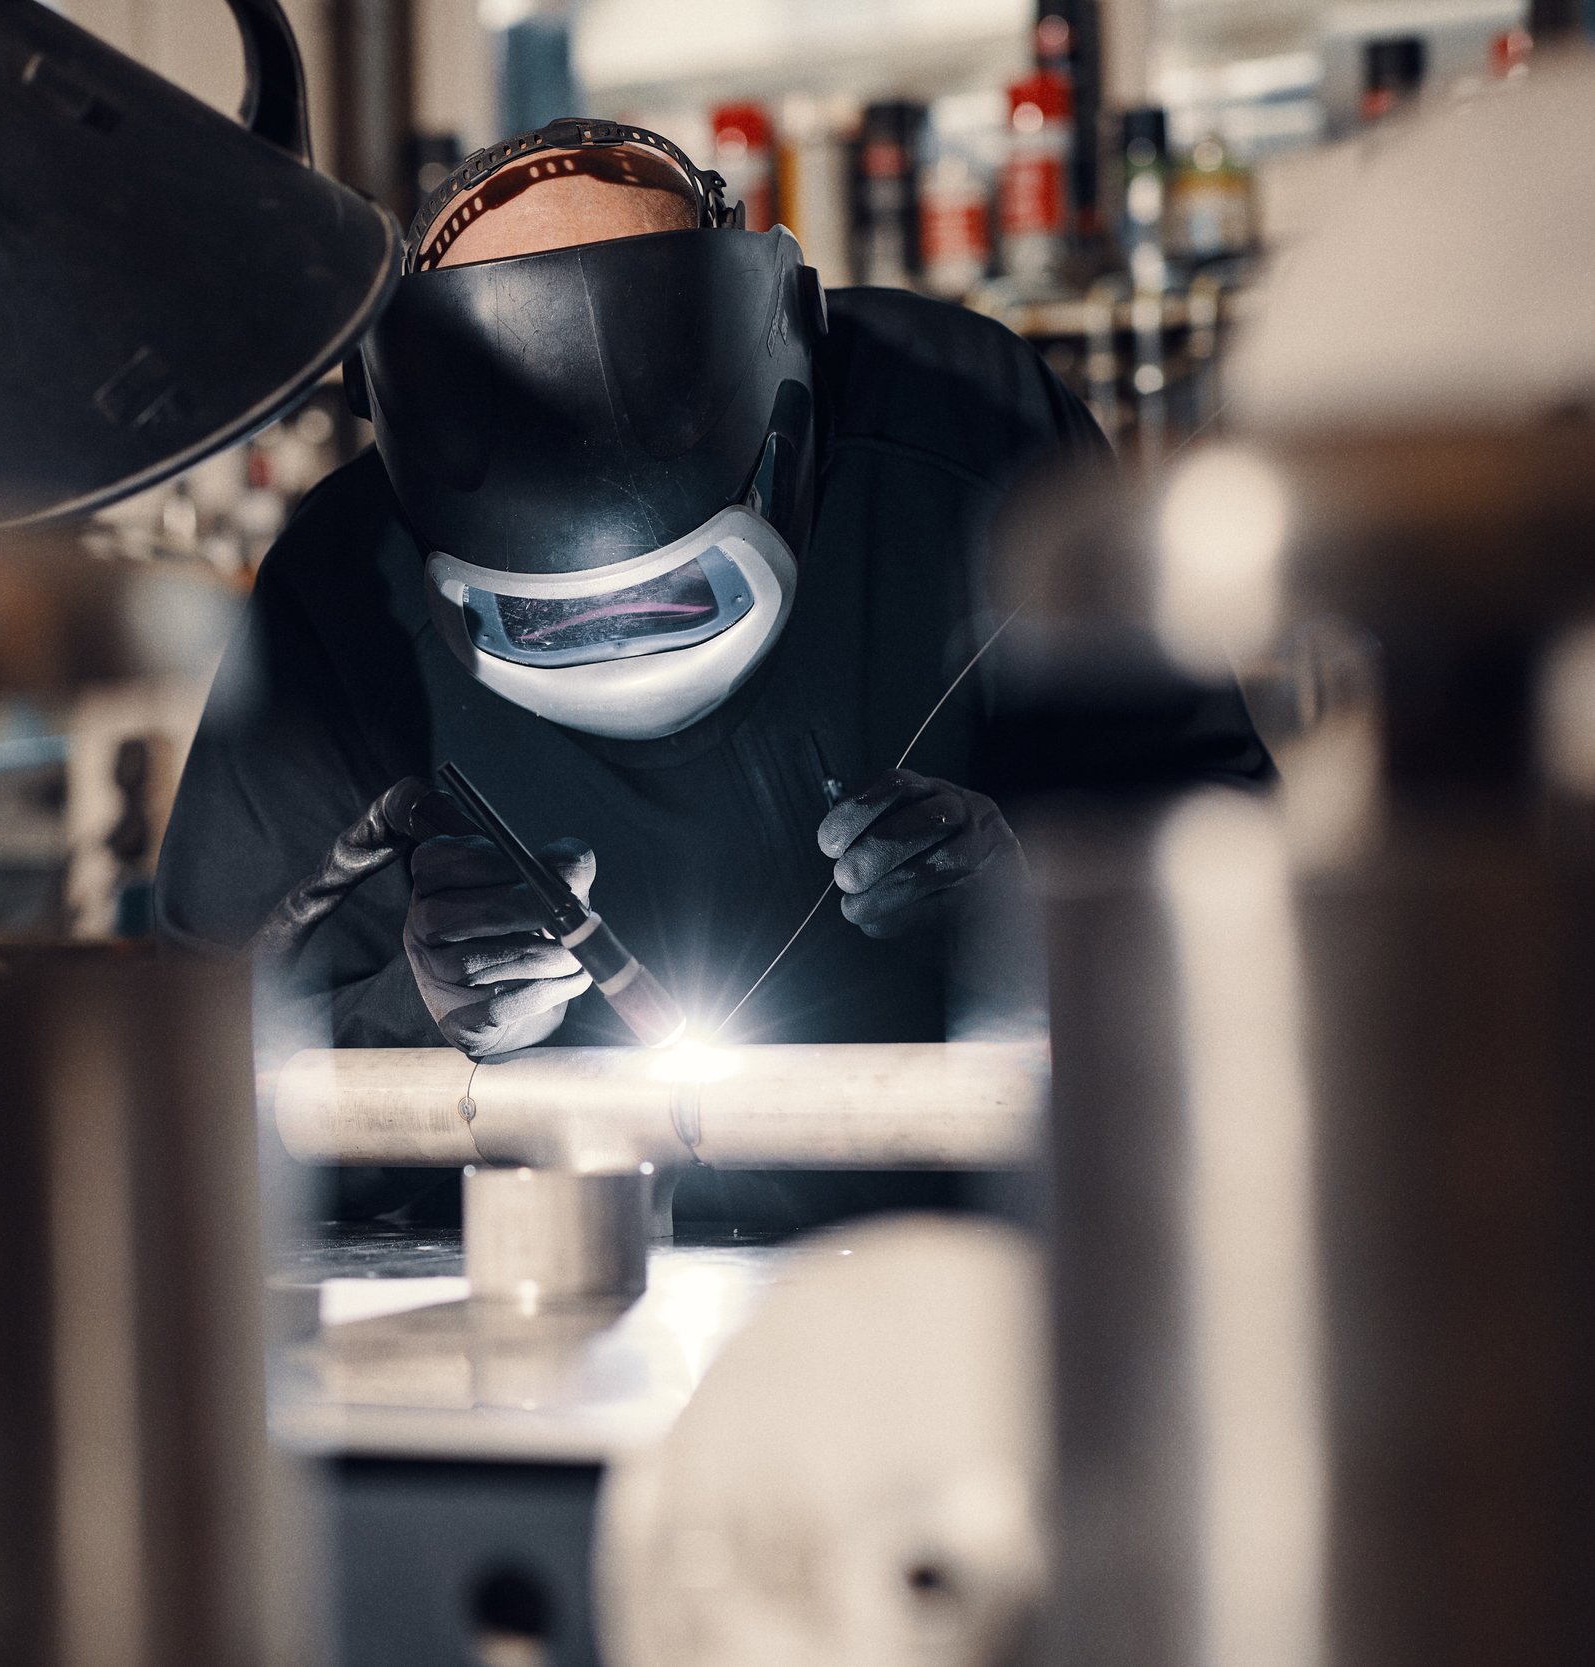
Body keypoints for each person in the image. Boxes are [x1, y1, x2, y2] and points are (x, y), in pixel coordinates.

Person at [156, 119, 1268, 1218]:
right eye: (556, 622)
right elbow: (194, 1098)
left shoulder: (970, 431)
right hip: (538, 1285)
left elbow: (1246, 902)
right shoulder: (343, 590)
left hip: (972, 1260)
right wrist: (422, 1011)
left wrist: (1018, 905)